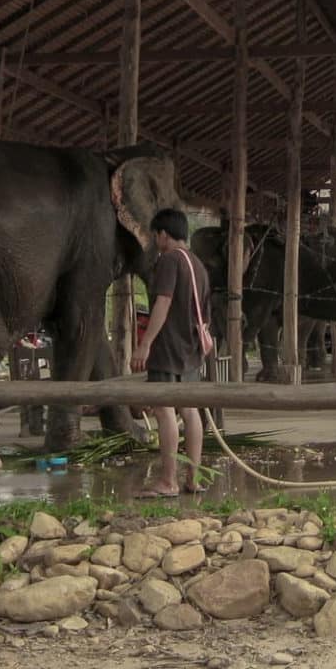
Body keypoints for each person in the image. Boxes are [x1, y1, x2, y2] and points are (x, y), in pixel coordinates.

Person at [130, 208, 212, 497]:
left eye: (156, 235)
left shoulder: (169, 261)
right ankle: (193, 478)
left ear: (163, 234)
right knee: (190, 410)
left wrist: (145, 343)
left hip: (168, 347)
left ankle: (168, 480)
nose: (156, 241)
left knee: (164, 409)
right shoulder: (198, 265)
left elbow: (162, 303)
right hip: (191, 349)